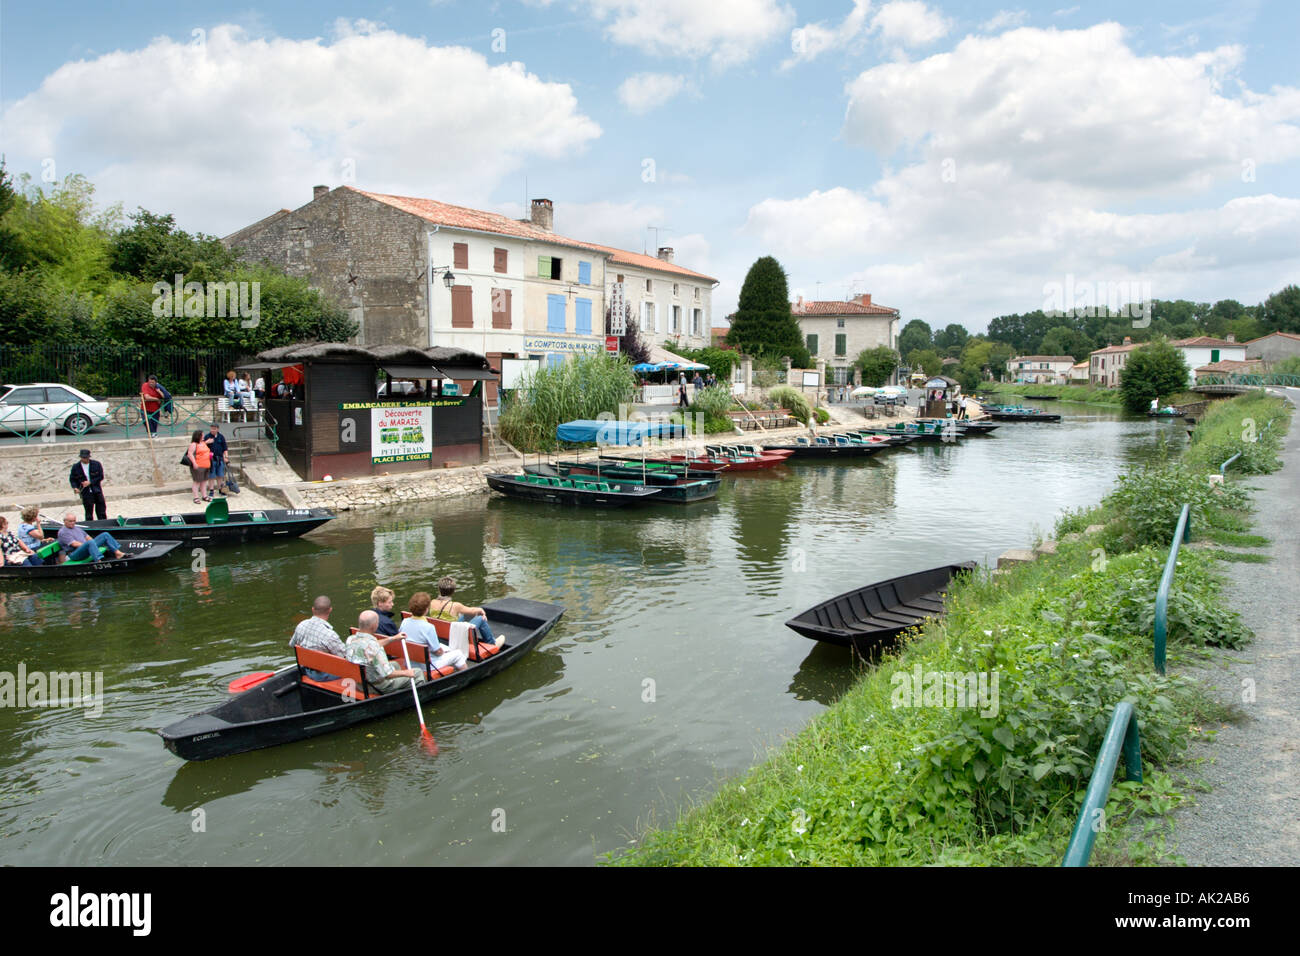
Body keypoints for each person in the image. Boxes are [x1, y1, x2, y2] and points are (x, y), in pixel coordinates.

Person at [346, 610, 426, 693]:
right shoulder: (375, 648)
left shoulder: (351, 639)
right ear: (374, 626)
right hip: (376, 686)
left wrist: (392, 638)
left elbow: (370, 646)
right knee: (418, 673)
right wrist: (407, 673)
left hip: (361, 683)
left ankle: (400, 688)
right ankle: (419, 695)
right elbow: (388, 674)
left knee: (395, 664)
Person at [397, 592, 469, 671]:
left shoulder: (404, 622)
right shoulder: (429, 627)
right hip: (428, 665)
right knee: (458, 654)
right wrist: (442, 652)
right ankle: (466, 675)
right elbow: (437, 652)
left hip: (410, 663)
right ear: (426, 610)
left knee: (446, 649)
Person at [289, 595, 349, 681]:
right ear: (330, 610)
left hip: (306, 671)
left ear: (313, 609)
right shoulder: (330, 635)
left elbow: (292, 645)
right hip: (323, 675)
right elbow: (345, 656)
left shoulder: (301, 625)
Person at [429, 576, 500, 647]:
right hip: (453, 637)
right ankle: (492, 643)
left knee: (466, 615)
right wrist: (481, 610)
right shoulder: (455, 606)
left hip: (441, 634)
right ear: (453, 591)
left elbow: (470, 612)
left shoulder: (432, 602)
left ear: (439, 589)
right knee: (481, 618)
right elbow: (472, 610)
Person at [55, 512, 126, 562]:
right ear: (64, 521)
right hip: (74, 554)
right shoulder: (63, 532)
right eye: (70, 521)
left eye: (74, 521)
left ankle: (118, 553)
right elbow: (74, 544)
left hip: (86, 547)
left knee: (105, 534)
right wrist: (89, 545)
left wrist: (92, 545)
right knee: (90, 543)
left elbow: (88, 537)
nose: (73, 523)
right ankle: (98, 561)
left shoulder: (77, 528)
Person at [68, 448, 107, 521]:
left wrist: (90, 482)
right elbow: (72, 479)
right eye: (83, 458)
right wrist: (75, 487)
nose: (84, 459)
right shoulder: (76, 467)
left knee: (101, 509)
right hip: (85, 492)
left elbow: (100, 476)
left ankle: (103, 523)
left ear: (89, 457)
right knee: (88, 512)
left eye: (86, 457)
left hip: (96, 490)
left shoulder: (96, 464)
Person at [184, 429, 212, 503]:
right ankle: (196, 497)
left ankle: (204, 496)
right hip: (198, 465)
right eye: (202, 435)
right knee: (197, 482)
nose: (203, 436)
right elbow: (189, 454)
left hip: (206, 464)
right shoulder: (193, 444)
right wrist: (194, 463)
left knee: (204, 482)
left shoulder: (203, 443)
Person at [203, 423, 230, 498]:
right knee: (211, 476)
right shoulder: (207, 436)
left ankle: (220, 490)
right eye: (211, 428)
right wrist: (206, 442)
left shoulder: (221, 437)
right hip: (211, 459)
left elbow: (225, 448)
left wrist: (226, 457)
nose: (212, 430)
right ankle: (211, 491)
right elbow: (201, 446)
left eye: (214, 429)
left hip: (220, 458)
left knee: (220, 475)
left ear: (217, 429)